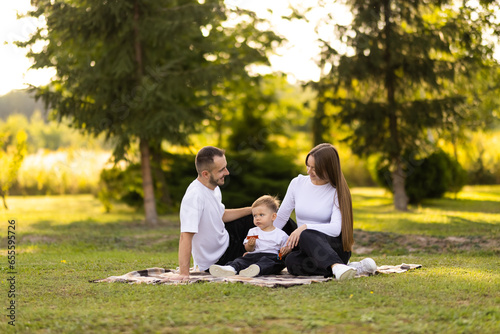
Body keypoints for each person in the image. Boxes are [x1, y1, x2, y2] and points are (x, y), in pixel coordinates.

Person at [176, 146, 296, 281]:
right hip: (218, 258)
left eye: (225, 167)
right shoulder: (194, 196)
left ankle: (300, 244)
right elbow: (185, 236)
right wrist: (184, 274)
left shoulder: (213, 187)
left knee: (268, 214)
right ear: (205, 174)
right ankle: (294, 258)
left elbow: (221, 215)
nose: (227, 172)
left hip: (227, 240)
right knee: (265, 224)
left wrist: (253, 211)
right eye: (221, 170)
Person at [273, 143, 377, 281]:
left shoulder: (336, 191)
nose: (309, 171)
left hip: (334, 248)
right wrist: (261, 241)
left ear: (329, 169)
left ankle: (336, 265)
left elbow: (335, 229)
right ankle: (349, 268)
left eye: (315, 168)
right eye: (308, 166)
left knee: (305, 233)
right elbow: (281, 218)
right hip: (307, 250)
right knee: (291, 262)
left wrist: (305, 227)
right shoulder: (297, 183)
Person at [209, 195, 290, 278]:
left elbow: (284, 251)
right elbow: (248, 249)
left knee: (273, 263)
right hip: (254, 255)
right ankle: (230, 268)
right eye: (255, 215)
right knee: (242, 260)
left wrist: (284, 251)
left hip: (271, 256)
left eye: (261, 215)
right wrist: (250, 245)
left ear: (273, 216)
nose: (257, 218)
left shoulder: (281, 234)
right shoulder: (253, 231)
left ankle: (256, 269)